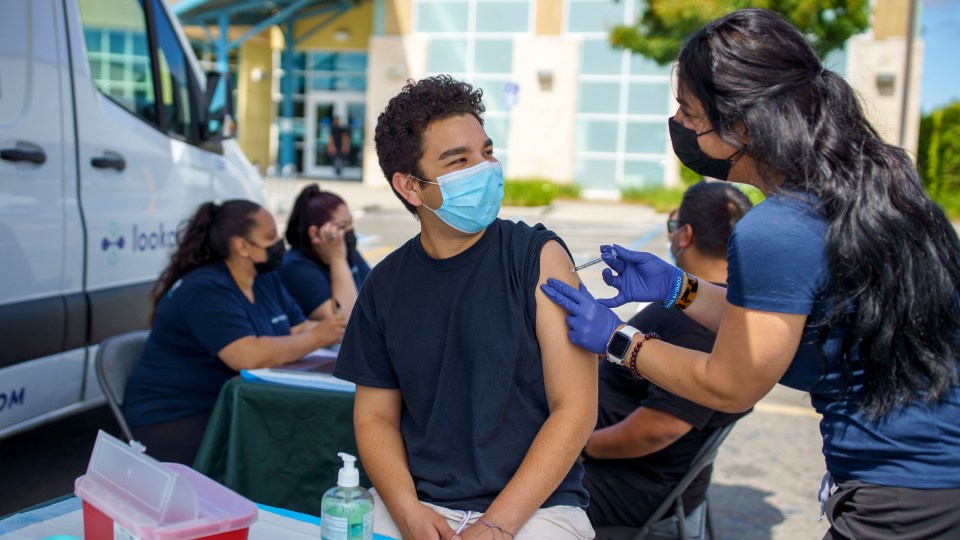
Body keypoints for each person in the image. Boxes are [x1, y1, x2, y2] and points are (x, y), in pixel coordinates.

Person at [542, 9, 960, 539]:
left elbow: (731, 384)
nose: (681, 124)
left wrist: (616, 339)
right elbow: (779, 323)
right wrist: (676, 288)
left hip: (902, 496)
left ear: (740, 122)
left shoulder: (778, 227)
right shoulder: (881, 194)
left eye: (689, 110)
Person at [332, 75, 597, 540]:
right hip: (418, 505)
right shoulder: (384, 284)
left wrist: (496, 525)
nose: (485, 168)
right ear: (410, 188)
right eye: (459, 160)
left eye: (487, 152)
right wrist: (407, 511)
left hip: (536, 509)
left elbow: (575, 408)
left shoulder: (538, 257)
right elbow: (374, 418)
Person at [124, 200, 347, 465]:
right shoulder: (205, 289)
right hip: (176, 417)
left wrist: (332, 329)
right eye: (270, 237)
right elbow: (245, 355)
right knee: (288, 451)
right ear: (242, 246)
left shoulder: (264, 277)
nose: (279, 243)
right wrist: (318, 337)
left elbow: (296, 327)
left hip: (234, 407)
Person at [582, 181, 752, 528]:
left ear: (684, 235)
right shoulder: (729, 308)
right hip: (645, 478)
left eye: (673, 225)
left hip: (628, 483)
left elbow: (659, 428)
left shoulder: (696, 326)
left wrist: (580, 447)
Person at [279, 184, 370, 323]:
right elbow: (346, 320)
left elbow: (380, 294)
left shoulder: (347, 251)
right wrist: (337, 260)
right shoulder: (295, 267)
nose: (349, 230)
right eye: (342, 226)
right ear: (315, 233)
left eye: (350, 223)